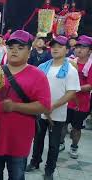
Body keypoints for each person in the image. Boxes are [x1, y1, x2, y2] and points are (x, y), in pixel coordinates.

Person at [0, 30, 51, 180]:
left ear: (29, 52)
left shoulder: (37, 76)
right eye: (11, 47)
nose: (14, 51)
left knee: (17, 176)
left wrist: (15, 107)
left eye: (20, 47)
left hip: (19, 140)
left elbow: (44, 106)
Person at [26, 36, 80, 180]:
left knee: (54, 144)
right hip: (41, 111)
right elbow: (35, 87)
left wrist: (53, 106)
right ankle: (35, 162)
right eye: (53, 46)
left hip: (58, 113)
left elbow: (71, 92)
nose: (55, 49)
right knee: (37, 139)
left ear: (67, 50)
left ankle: (49, 170)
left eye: (60, 46)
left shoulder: (70, 70)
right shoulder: (43, 66)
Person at [59, 35, 92, 158]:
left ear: (89, 50)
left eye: (83, 47)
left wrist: (74, 88)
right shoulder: (69, 61)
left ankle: (74, 146)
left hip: (81, 103)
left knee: (76, 128)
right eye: (77, 46)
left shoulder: (91, 65)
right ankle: (61, 143)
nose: (79, 50)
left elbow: (90, 85)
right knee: (62, 123)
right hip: (67, 100)